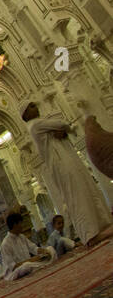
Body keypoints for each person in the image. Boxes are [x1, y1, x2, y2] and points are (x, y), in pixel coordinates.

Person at [24, 102, 113, 247]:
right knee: (76, 195)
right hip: (61, 165)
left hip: (66, 161)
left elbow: (62, 129)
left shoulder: (41, 126)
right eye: (32, 107)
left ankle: (101, 226)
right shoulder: (35, 125)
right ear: (25, 114)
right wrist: (64, 129)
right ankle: (90, 234)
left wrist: (63, 132)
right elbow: (61, 123)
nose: (37, 108)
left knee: (85, 189)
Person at [0, 212, 54, 280]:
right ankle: (43, 265)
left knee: (50, 249)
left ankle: (41, 265)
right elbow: (13, 267)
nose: (22, 226)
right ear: (15, 225)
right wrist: (32, 260)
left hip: (32, 264)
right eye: (20, 223)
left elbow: (33, 248)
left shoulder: (21, 237)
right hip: (16, 272)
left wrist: (43, 251)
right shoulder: (5, 244)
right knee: (26, 265)